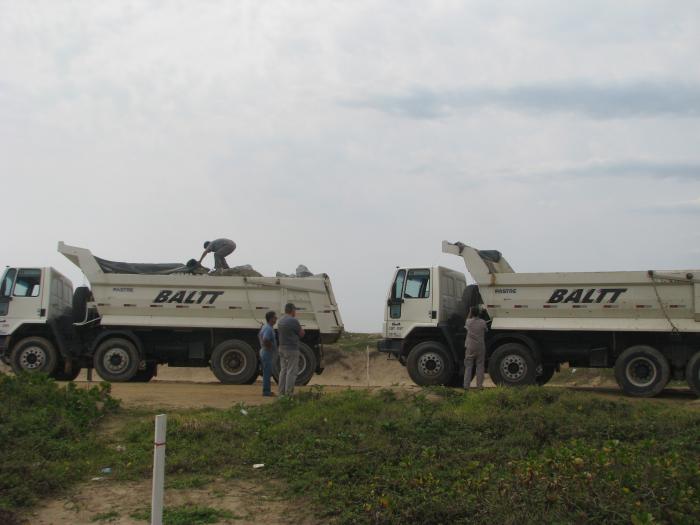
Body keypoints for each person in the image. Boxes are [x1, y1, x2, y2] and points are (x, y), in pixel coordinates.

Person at [277, 302, 305, 396]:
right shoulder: (293, 321)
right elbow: (301, 334)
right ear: (292, 310)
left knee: (283, 371)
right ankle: (288, 393)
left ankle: (281, 393)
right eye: (295, 310)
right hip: (292, 349)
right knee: (291, 371)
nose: (295, 312)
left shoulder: (280, 320)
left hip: (281, 348)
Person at [463, 306, 488, 390]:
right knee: (480, 366)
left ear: (471, 313)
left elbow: (466, 322)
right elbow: (486, 330)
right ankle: (479, 386)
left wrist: (469, 312)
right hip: (480, 347)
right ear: (479, 313)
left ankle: (466, 386)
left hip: (470, 347)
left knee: (468, 366)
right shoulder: (483, 322)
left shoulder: (468, 322)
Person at [258, 311, 278, 397]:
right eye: (275, 317)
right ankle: (266, 392)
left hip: (264, 351)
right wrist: (270, 347)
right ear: (271, 319)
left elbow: (259, 335)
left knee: (267, 372)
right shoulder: (269, 328)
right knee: (267, 373)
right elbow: (265, 339)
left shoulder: (265, 327)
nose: (276, 319)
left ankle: (267, 391)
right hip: (267, 352)